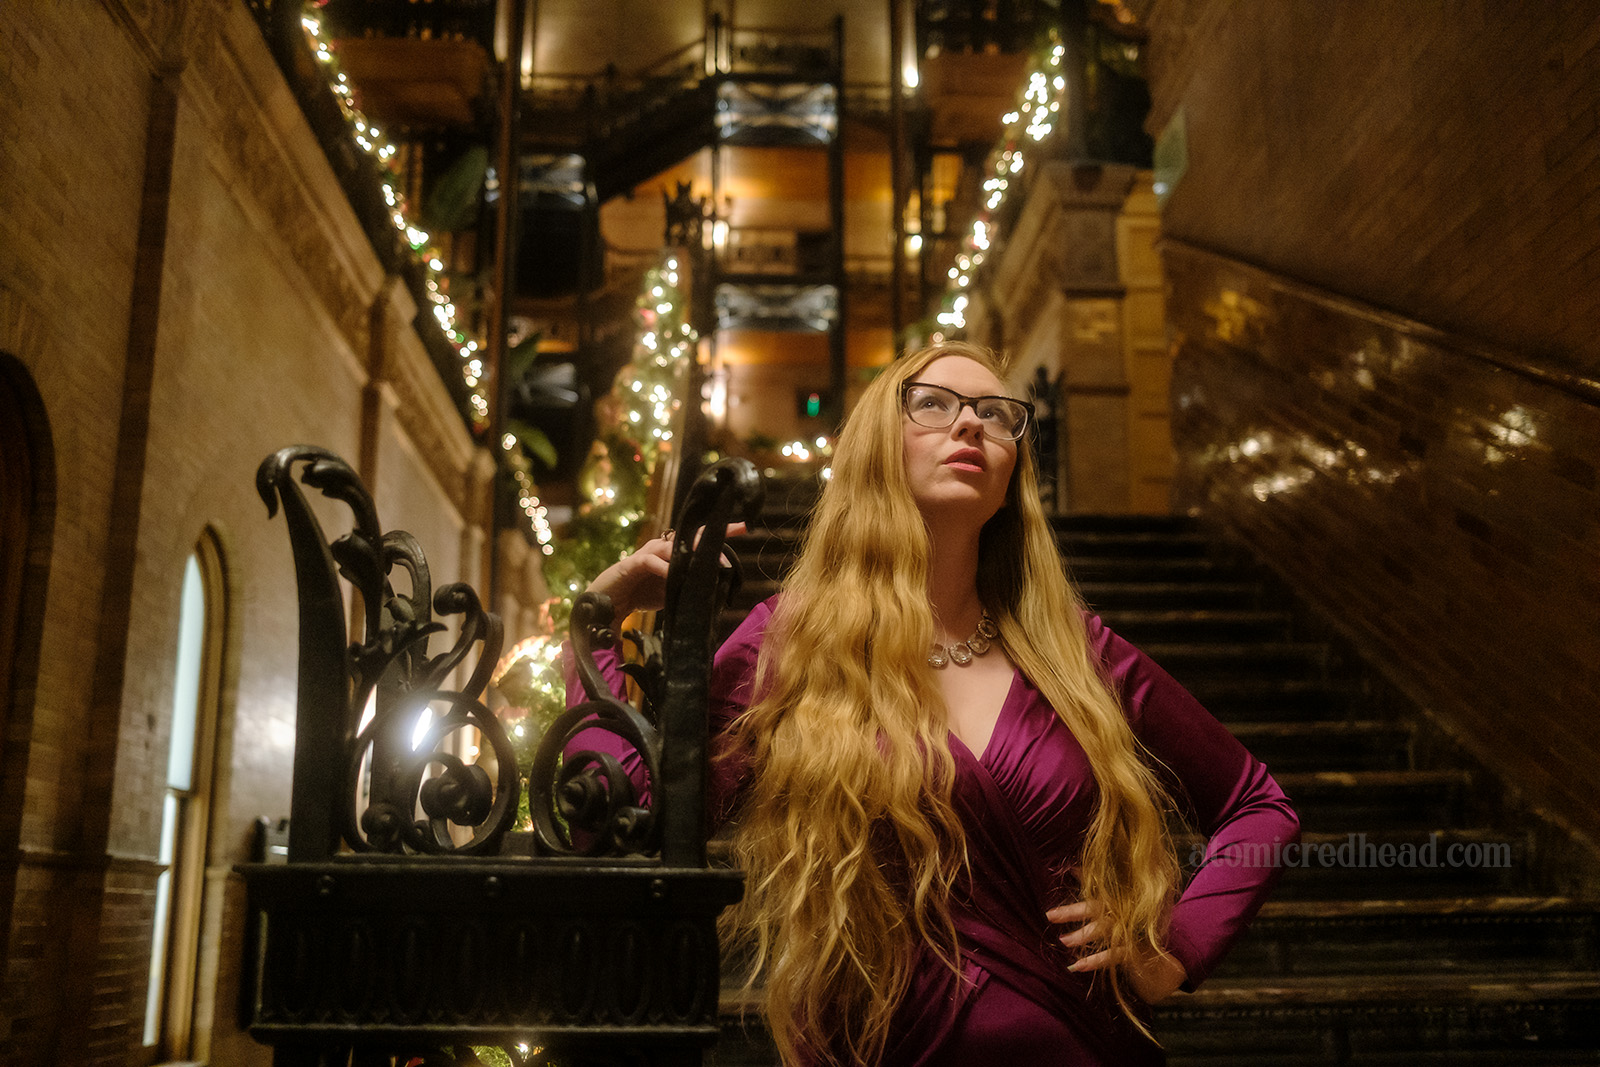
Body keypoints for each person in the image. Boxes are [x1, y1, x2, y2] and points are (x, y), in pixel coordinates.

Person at [572, 341, 1299, 1066]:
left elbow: (1259, 805)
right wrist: (597, 622)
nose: (971, 425)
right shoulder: (792, 644)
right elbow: (622, 819)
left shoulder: (1074, 652)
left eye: (995, 413)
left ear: (1014, 470)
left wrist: (1177, 942)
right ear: (874, 449)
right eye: (932, 404)